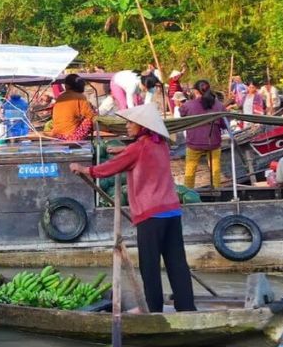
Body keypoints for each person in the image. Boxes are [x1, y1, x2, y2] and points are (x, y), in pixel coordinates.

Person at [69, 104, 196, 313]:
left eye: (130, 123)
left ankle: (153, 309)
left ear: (142, 126)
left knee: (149, 265)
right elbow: (139, 154)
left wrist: (84, 169)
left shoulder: (139, 148)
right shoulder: (161, 144)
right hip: (172, 212)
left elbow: (111, 168)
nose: (127, 126)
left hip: (151, 215)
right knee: (177, 263)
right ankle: (187, 308)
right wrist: (123, 150)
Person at [179, 80, 227, 188]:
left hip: (194, 143)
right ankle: (217, 193)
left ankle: (188, 195)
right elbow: (224, 125)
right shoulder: (219, 105)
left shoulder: (188, 105)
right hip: (213, 143)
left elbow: (182, 114)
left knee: (190, 173)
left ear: (195, 91)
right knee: (215, 172)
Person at [49, 73, 96, 140]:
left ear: (67, 86)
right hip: (70, 135)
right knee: (90, 120)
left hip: (56, 134)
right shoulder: (80, 96)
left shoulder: (60, 96)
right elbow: (89, 115)